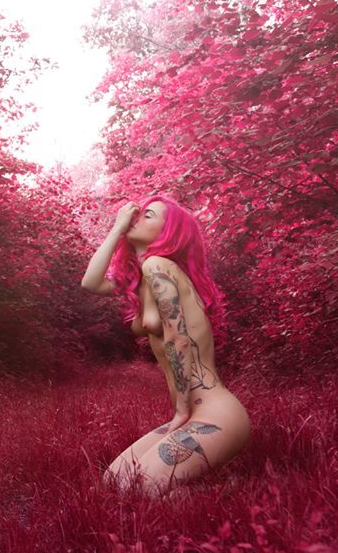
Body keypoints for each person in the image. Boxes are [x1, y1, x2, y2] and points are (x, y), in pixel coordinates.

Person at [80, 196, 250, 498]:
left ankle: (235, 490)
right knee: (113, 483)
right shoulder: (141, 277)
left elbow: (177, 337)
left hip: (215, 415)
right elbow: (90, 283)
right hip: (193, 415)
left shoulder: (159, 266)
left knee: (143, 491)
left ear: (169, 232)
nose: (136, 218)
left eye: (148, 215)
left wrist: (181, 409)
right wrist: (117, 228)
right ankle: (211, 480)